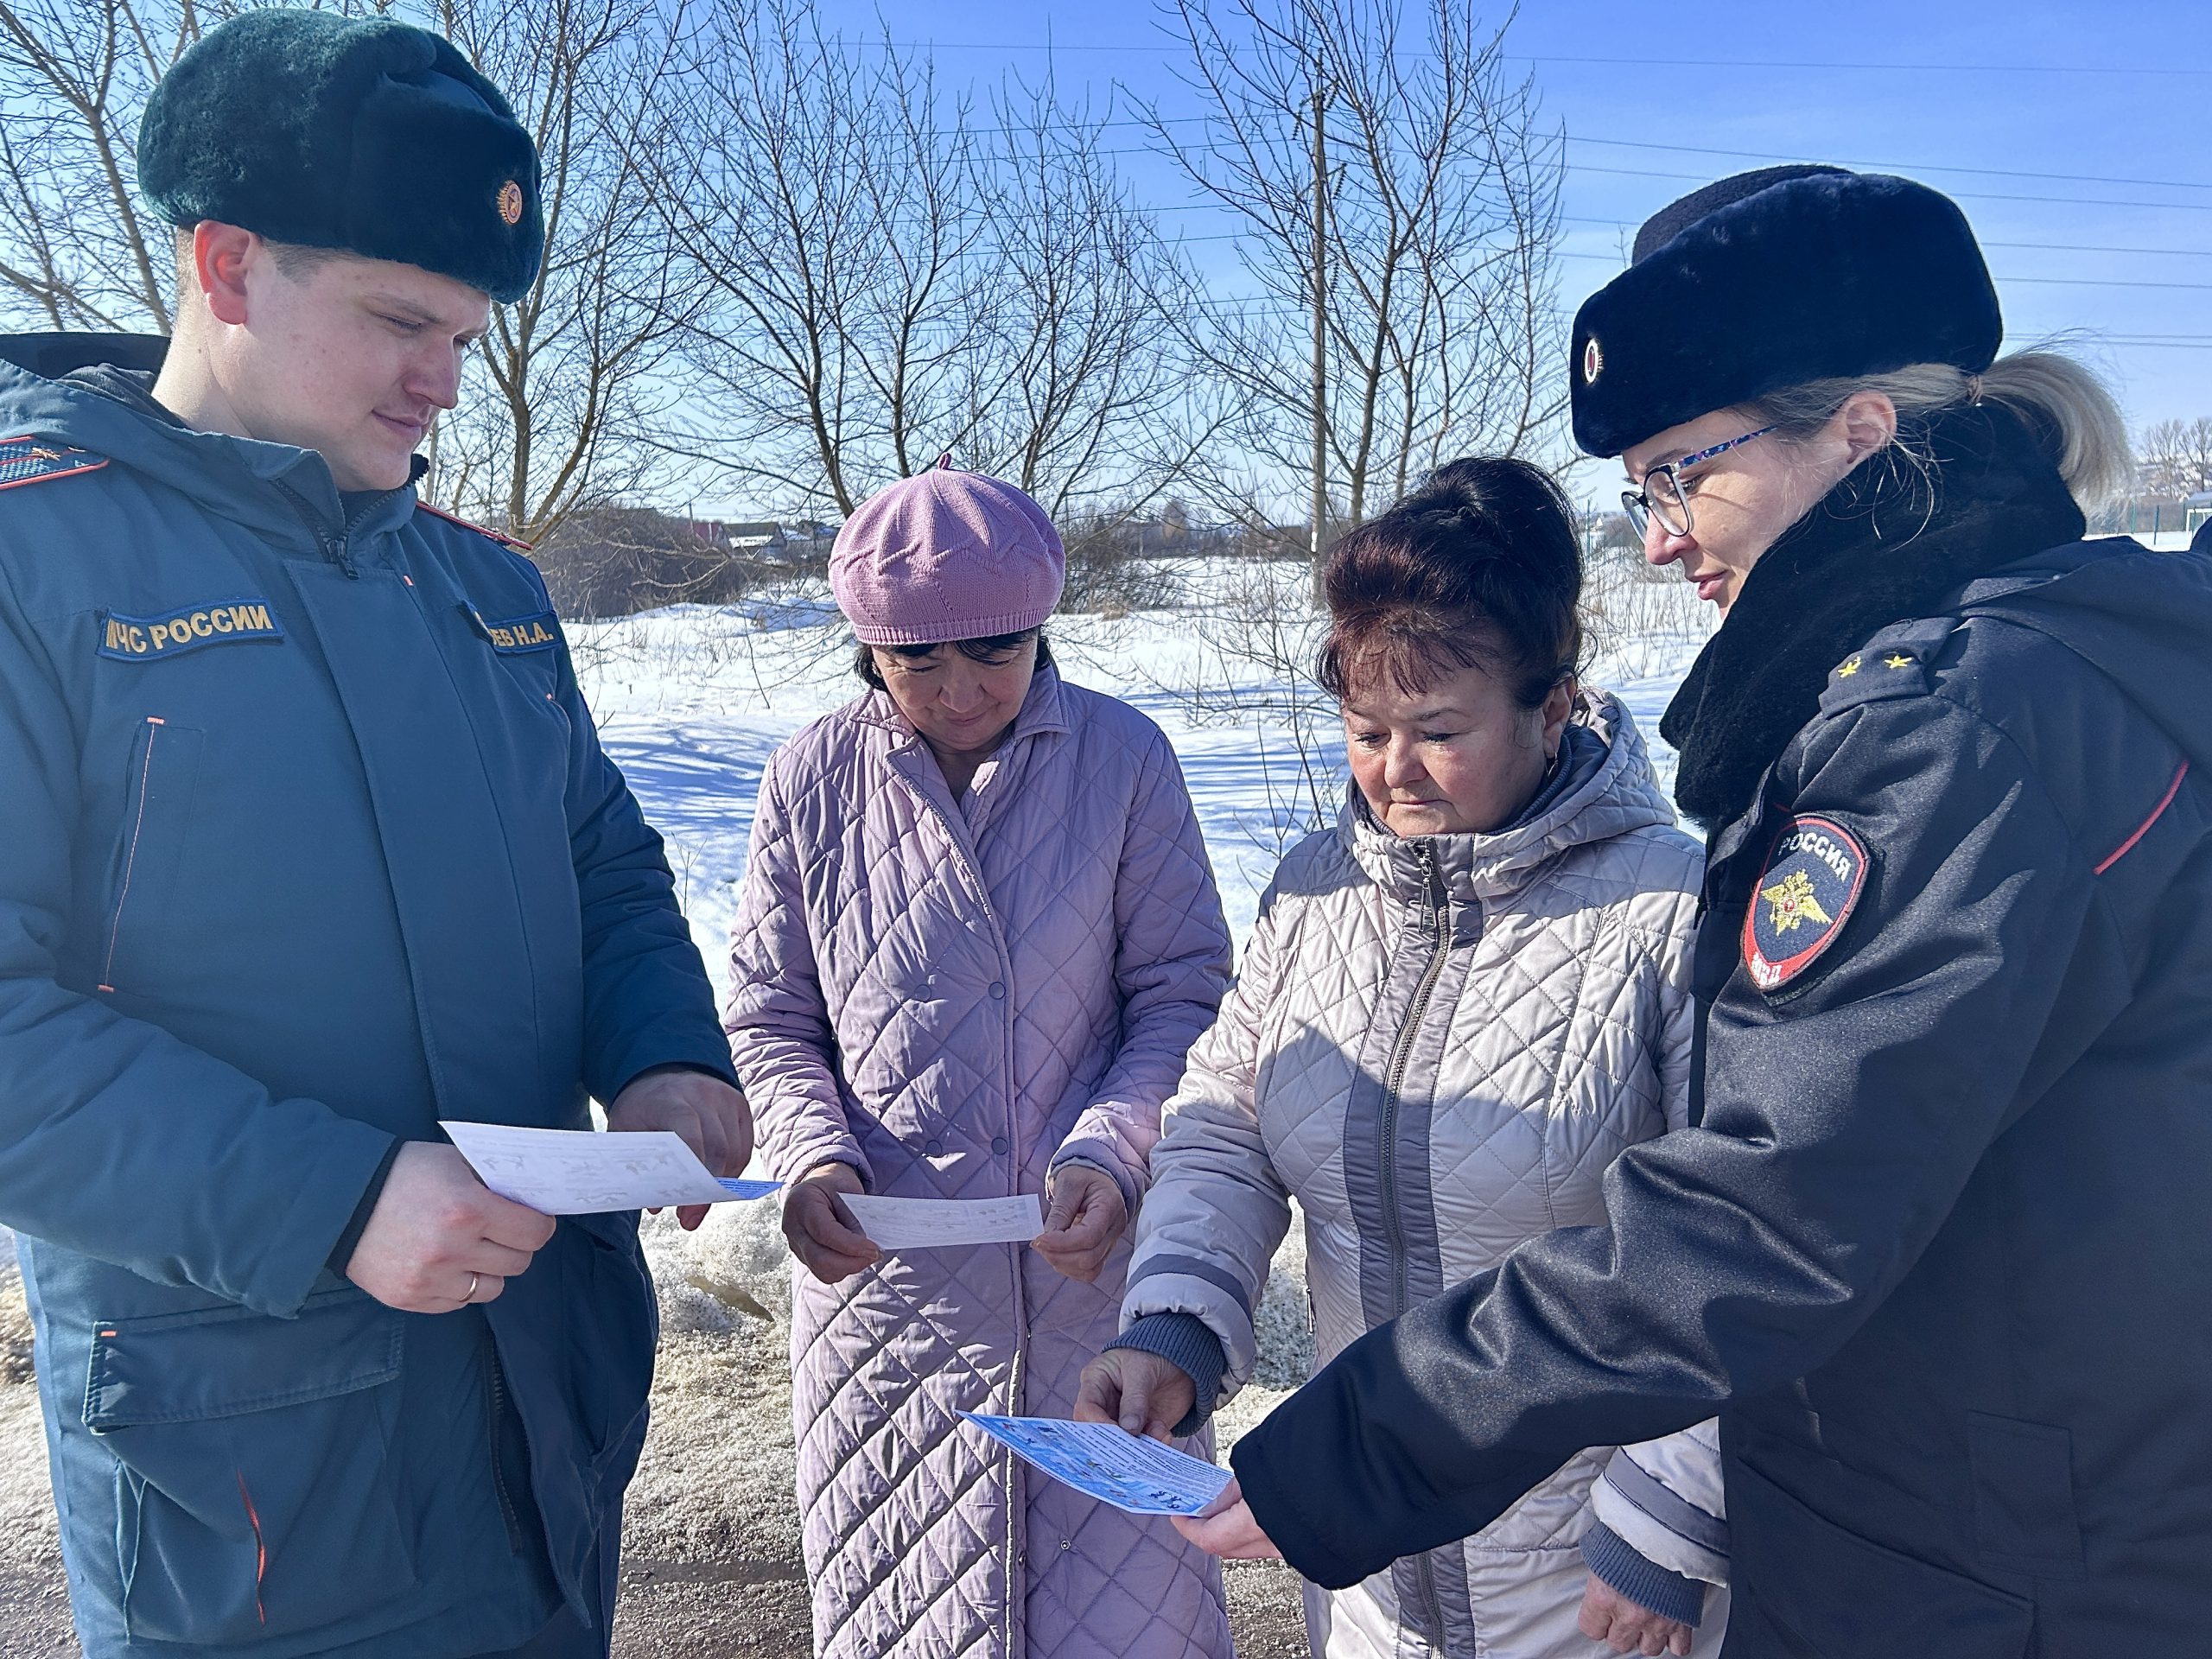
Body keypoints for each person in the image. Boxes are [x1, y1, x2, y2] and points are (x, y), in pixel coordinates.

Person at [1174, 164, 2212, 1656]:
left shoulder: (1956, 732)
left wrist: (1376, 1434)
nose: (1660, 535)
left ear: (1859, 436)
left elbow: (1765, 1209)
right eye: (1640, 488)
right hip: (2017, 1502)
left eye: (1682, 474)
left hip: (1995, 1558)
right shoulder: (2025, 673)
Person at [0, 14, 750, 1657]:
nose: (444, 377)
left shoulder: (484, 588)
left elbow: (609, 867)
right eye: (403, 317)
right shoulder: (34, 564)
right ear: (225, 263)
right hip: (256, 1463)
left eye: (470, 335)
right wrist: (331, 1201)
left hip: (536, 1415)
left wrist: (669, 1052)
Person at [1075, 457, 1728, 1659]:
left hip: (1587, 1575)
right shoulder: (1315, 894)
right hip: (1364, 1557)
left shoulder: (1671, 909)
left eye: (1439, 731)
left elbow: (1736, 1242)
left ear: (1553, 708)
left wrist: (1672, 1523)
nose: (1394, 770)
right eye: (1367, 731)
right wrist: (1172, 1322)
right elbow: (1223, 1123)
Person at [724, 460, 1237, 1659]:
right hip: (888, 1313)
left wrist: (1114, 1150)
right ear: (869, 649)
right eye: (918, 663)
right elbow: (767, 1016)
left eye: (995, 653)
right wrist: (809, 1159)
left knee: (1130, 1624)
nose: (959, 691)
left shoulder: (1124, 760)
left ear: (1043, 628)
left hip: (1090, 1295)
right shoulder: (813, 775)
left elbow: (1186, 1000)